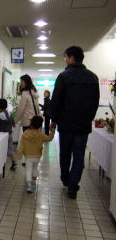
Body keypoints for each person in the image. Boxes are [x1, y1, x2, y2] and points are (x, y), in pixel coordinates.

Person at [50, 46, 100, 199]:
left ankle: (66, 180)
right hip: (82, 126)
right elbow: (95, 102)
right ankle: (73, 187)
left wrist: (54, 119)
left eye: (65, 57)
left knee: (65, 154)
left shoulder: (64, 76)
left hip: (66, 125)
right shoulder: (93, 77)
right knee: (79, 157)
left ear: (71, 57)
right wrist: (88, 119)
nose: (65, 60)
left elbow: (56, 100)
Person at [16, 116, 55, 193]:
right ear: (40, 125)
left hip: (28, 156)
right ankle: (34, 183)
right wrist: (52, 132)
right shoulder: (40, 134)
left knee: (28, 169)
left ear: (31, 124)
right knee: (35, 168)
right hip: (37, 155)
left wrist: (19, 154)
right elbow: (49, 139)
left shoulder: (25, 133)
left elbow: (22, 145)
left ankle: (29, 185)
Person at [15, 74, 41, 166]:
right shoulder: (33, 92)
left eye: (22, 81)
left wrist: (15, 120)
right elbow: (37, 108)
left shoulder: (25, 93)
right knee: (33, 141)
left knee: (27, 141)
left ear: (26, 82)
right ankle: (32, 159)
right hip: (35, 121)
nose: (20, 83)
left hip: (27, 121)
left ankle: (27, 160)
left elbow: (21, 108)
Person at [0, 99, 17, 170]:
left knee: (1, 149)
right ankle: (14, 163)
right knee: (11, 149)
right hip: (9, 134)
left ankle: (0, 164)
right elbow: (13, 123)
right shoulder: (9, 114)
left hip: (1, 136)